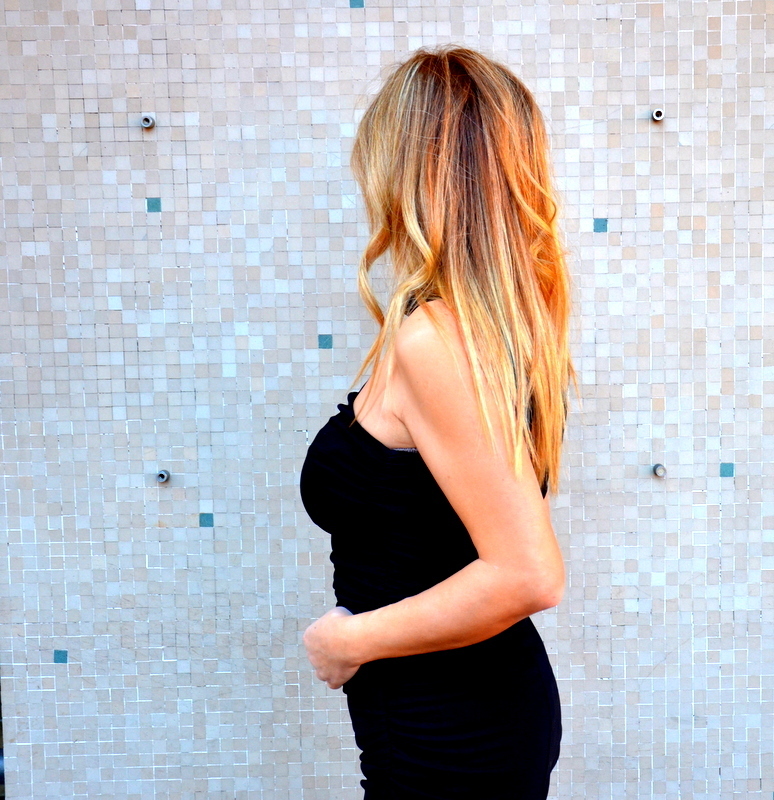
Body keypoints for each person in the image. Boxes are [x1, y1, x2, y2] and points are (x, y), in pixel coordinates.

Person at [299, 44, 579, 800]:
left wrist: (348, 639)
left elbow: (527, 573)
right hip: (451, 716)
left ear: (413, 171)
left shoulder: (437, 341)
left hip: (451, 734)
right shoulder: (478, 325)